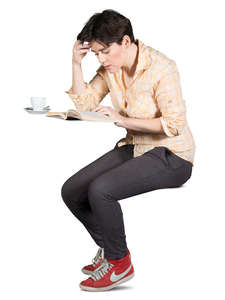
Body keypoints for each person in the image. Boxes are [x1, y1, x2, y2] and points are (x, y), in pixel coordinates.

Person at [61, 9, 196, 292]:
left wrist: (121, 120)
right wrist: (76, 63)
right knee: (72, 190)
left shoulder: (162, 67)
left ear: (125, 41)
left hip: (172, 155)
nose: (101, 59)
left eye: (105, 51)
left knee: (100, 189)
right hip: (135, 147)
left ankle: (119, 263)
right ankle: (109, 249)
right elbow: (85, 105)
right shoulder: (111, 68)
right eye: (96, 53)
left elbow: (173, 124)